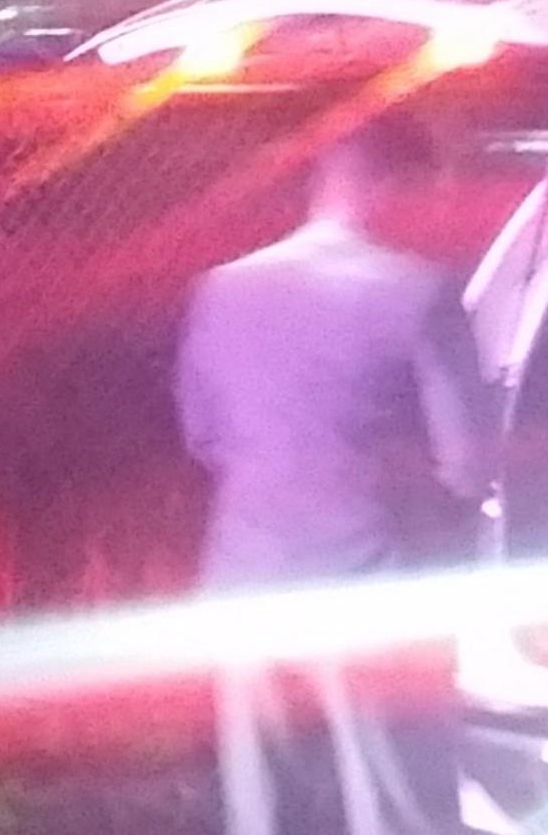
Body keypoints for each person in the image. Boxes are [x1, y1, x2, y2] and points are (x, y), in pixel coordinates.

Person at [176, 113, 486, 835]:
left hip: (245, 584)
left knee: (264, 812)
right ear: (389, 185)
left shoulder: (222, 288)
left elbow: (205, 435)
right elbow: (468, 463)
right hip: (372, 586)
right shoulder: (420, 291)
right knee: (394, 804)